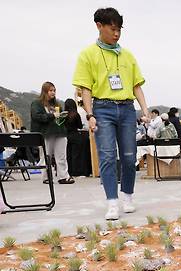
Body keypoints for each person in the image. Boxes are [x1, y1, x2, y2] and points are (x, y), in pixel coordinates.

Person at [73, 7, 149, 219]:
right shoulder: (87, 54)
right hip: (102, 109)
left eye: (119, 30)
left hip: (126, 109)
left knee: (128, 156)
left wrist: (144, 110)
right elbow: (85, 88)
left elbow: (136, 86)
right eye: (112, 29)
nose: (116, 34)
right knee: (107, 156)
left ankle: (127, 196)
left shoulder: (127, 55)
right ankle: (112, 202)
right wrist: (89, 114)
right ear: (99, 26)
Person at [30, 82, 74, 185]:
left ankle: (63, 176)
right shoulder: (37, 103)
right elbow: (37, 116)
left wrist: (63, 116)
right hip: (46, 133)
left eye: (54, 90)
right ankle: (46, 177)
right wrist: (52, 116)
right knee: (46, 156)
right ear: (45, 91)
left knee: (62, 156)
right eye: (51, 90)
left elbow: (58, 117)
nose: (53, 92)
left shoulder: (57, 104)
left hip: (60, 132)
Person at [64, 98, 91, 177]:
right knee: (76, 154)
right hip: (75, 135)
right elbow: (79, 125)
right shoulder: (76, 114)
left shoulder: (64, 115)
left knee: (68, 154)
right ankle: (77, 171)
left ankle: (69, 171)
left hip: (66, 136)